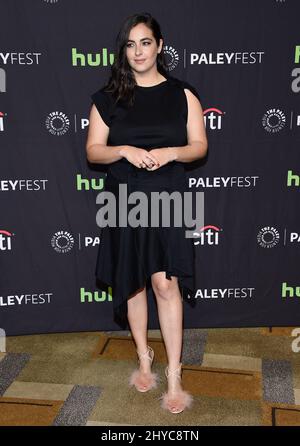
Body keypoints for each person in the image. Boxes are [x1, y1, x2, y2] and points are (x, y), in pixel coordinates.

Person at [86, 12, 208, 414]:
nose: (138, 51)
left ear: (159, 45)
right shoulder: (108, 98)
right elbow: (93, 150)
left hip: (169, 196)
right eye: (130, 44)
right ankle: (144, 357)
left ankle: (174, 374)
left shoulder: (183, 94)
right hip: (123, 199)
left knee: (166, 285)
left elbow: (198, 146)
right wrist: (124, 150)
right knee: (133, 282)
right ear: (124, 50)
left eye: (145, 42)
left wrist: (170, 152)